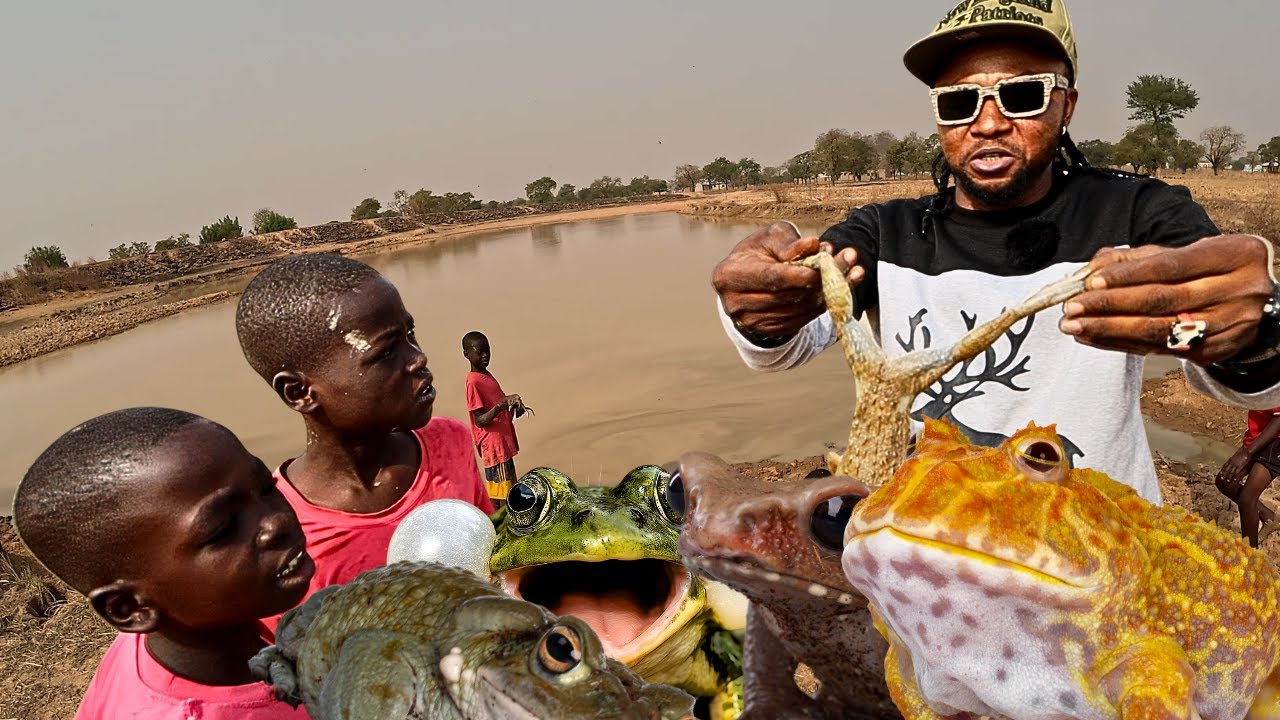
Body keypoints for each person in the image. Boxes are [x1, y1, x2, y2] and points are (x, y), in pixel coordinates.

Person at [711, 0, 1280, 505]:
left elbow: (1206, 356)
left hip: (1095, 565)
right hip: (932, 560)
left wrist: (1245, 332)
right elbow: (786, 344)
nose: (988, 123)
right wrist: (761, 306)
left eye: (1022, 94)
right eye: (959, 103)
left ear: (1067, 106)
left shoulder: (1136, 216)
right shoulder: (887, 233)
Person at [234, 254, 493, 636]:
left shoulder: (448, 443)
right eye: (386, 351)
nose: (418, 358)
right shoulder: (283, 539)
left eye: (411, 334)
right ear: (300, 391)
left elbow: (491, 556)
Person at [13, 407, 313, 720]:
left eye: (266, 487)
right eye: (222, 529)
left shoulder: (194, 634)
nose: (277, 521)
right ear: (131, 608)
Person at [463, 330, 533, 509]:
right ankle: (501, 529)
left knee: (506, 488)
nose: (485, 355)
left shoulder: (486, 375)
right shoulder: (473, 382)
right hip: (493, 446)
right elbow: (479, 420)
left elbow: (499, 410)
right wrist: (500, 407)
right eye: (479, 352)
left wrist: (513, 408)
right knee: (502, 496)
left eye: (487, 350)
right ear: (467, 355)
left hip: (501, 444)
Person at [1216, 407, 1280, 547]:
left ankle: (1250, 554)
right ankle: (1268, 517)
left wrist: (1246, 453)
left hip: (1275, 443)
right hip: (1258, 438)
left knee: (1247, 499)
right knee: (1224, 481)